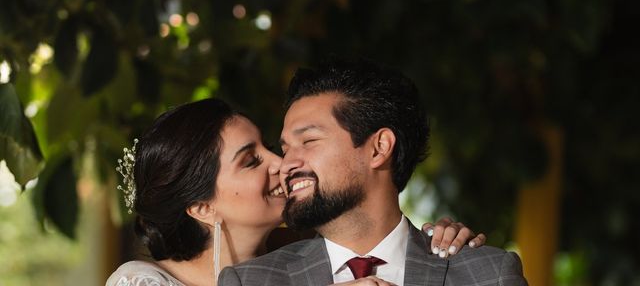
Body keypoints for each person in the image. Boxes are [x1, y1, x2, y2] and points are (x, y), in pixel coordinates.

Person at [107, 97, 485, 286]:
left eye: (270, 147)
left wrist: (434, 246)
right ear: (203, 207)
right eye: (251, 161)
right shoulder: (141, 282)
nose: (281, 163)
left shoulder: (306, 253)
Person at [219, 58, 528, 285]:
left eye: (309, 141)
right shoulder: (250, 281)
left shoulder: (488, 274)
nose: (286, 164)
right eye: (285, 148)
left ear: (379, 147)